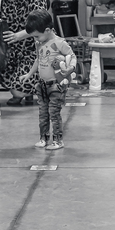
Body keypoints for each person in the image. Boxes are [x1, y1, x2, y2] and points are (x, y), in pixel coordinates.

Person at [20, 10, 77, 150]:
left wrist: (70, 69)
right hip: (42, 85)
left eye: (37, 36)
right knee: (43, 113)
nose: (36, 39)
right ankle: (43, 138)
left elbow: (72, 56)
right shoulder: (40, 42)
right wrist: (29, 74)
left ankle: (58, 140)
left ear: (47, 30)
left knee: (54, 113)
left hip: (56, 86)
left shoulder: (59, 43)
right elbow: (38, 60)